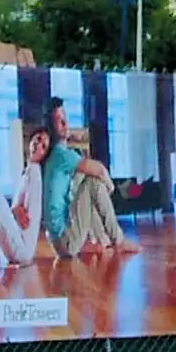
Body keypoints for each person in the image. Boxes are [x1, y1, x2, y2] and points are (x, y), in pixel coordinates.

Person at [40, 97, 140, 258]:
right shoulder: (62, 156)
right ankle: (119, 241)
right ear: (51, 127)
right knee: (94, 182)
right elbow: (99, 170)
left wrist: (69, 135)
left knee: (83, 180)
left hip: (58, 242)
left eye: (65, 118)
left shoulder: (54, 155)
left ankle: (101, 239)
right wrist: (110, 188)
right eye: (59, 121)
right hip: (65, 242)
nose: (66, 124)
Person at [0, 127, 47, 267]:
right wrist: (15, 209)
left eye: (43, 147)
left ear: (44, 155)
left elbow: (26, 220)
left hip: (22, 248)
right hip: (20, 245)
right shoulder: (28, 171)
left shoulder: (34, 173)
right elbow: (17, 210)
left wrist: (16, 211)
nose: (38, 145)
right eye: (38, 139)